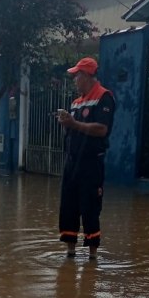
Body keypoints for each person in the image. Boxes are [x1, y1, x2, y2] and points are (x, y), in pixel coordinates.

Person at [57, 57, 115, 260]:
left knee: (90, 208)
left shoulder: (104, 97)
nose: (75, 80)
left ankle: (92, 258)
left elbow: (101, 129)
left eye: (77, 76)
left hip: (91, 164)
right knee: (68, 208)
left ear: (88, 76)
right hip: (72, 163)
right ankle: (70, 254)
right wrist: (67, 123)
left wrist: (74, 125)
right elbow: (73, 128)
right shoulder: (76, 102)